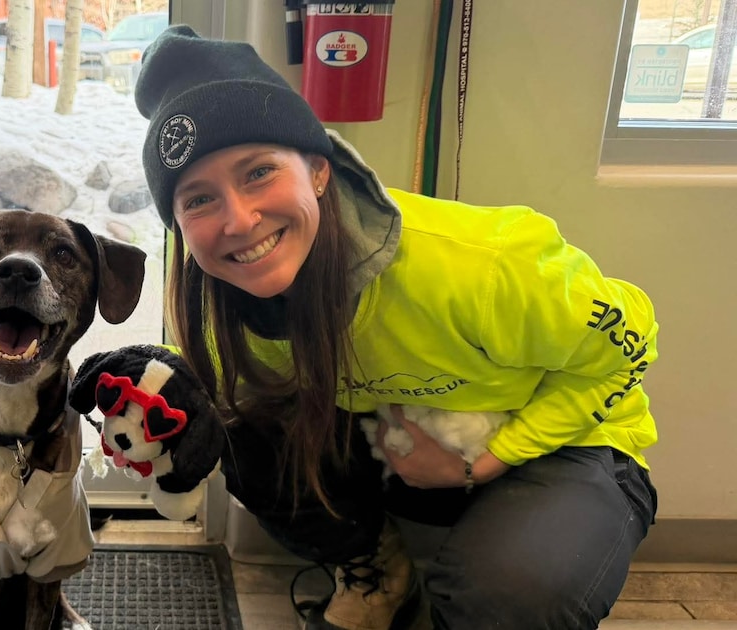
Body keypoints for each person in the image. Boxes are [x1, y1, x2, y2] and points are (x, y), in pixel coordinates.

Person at [120, 24, 659, 630]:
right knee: (224, 420)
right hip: (406, 449)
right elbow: (199, 397)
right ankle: (377, 575)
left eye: (258, 172)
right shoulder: (227, 312)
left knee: (511, 597)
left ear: (319, 171)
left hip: (562, 446)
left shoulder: (481, 264)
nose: (239, 221)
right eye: (198, 199)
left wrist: (486, 461)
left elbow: (631, 340)